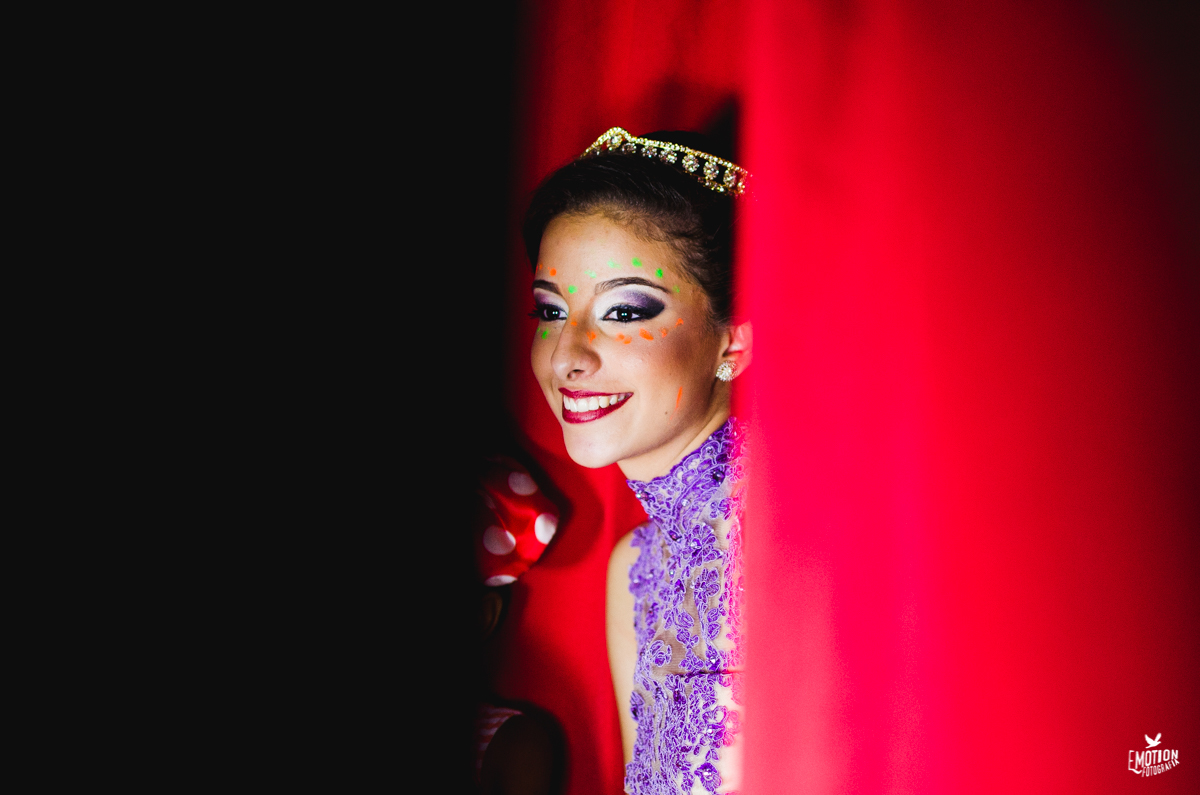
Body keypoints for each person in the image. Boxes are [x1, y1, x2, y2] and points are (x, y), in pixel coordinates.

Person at [523, 127, 752, 795]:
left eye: (623, 311)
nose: (567, 356)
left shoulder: (806, 536)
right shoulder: (635, 567)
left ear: (733, 343)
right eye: (550, 310)